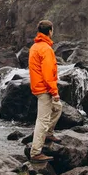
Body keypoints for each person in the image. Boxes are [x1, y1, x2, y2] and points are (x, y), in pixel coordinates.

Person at [28, 20, 62, 162]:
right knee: (42, 120)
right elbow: (48, 73)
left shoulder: (35, 47)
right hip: (44, 88)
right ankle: (35, 152)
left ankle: (48, 133)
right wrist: (54, 92)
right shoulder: (46, 49)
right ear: (50, 31)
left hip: (38, 86)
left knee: (58, 108)